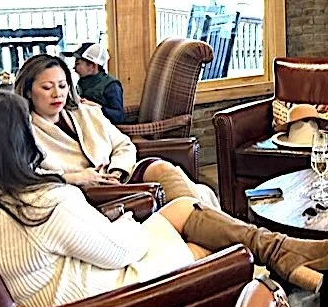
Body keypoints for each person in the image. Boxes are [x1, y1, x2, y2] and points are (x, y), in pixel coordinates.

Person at [0, 93, 328, 306]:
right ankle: (278, 264)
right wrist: (124, 219)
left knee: (185, 207)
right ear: (16, 141)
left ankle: (283, 256)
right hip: (99, 301)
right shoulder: (41, 203)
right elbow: (124, 250)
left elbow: (119, 147)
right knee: (202, 241)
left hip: (67, 288)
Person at [13, 54, 218, 210]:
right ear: (29, 91)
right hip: (84, 194)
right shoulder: (23, 130)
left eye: (62, 85)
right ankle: (228, 241)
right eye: (47, 87)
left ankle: (219, 235)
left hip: (120, 178)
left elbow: (124, 145)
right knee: (195, 201)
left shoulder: (86, 113)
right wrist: (77, 177)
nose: (58, 93)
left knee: (166, 171)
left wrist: (117, 172)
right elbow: (26, 178)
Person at [65, 42, 125, 125]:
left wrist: (98, 108)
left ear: (92, 66)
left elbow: (119, 117)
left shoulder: (111, 85)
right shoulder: (81, 83)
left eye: (77, 64)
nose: (74, 68)